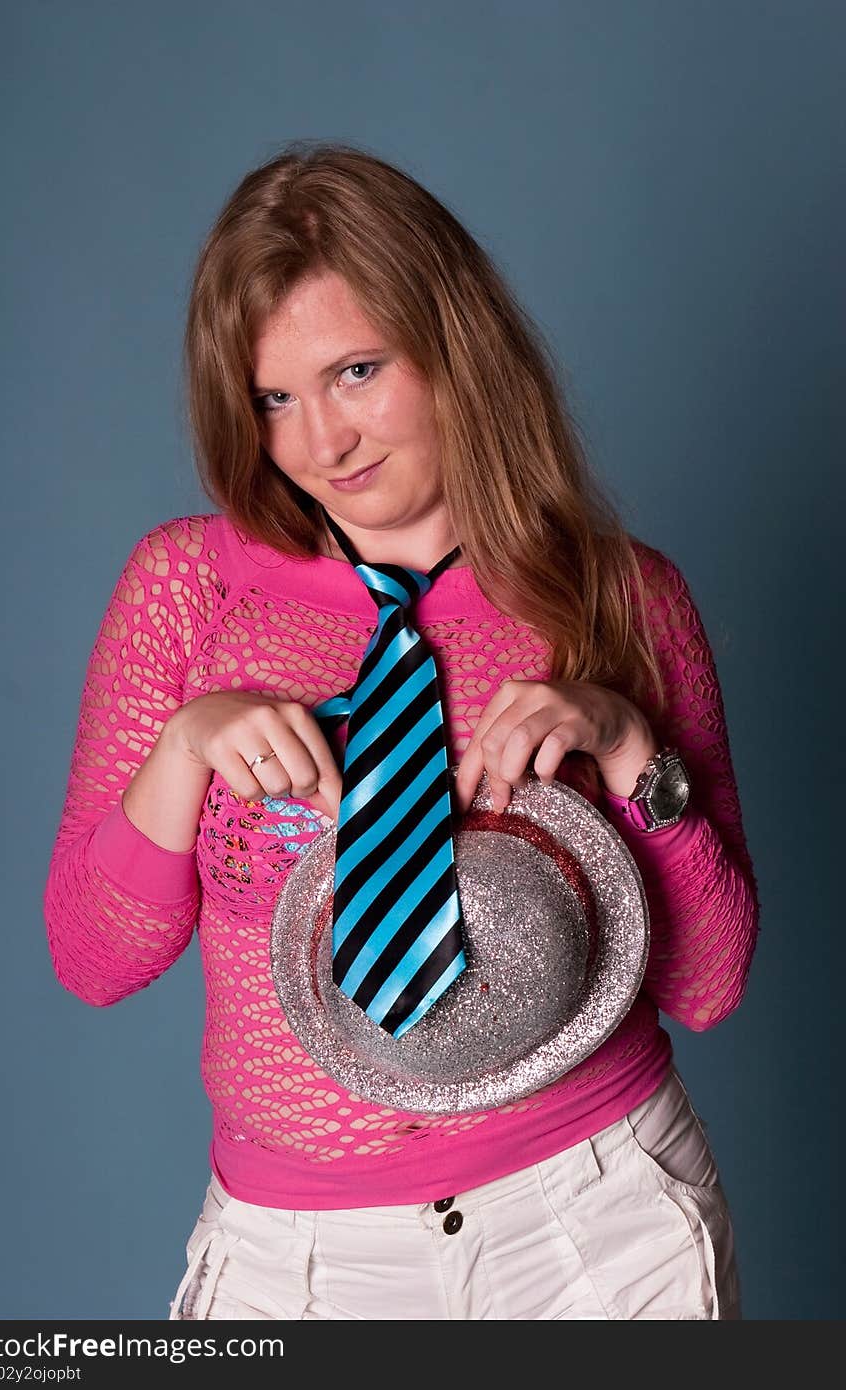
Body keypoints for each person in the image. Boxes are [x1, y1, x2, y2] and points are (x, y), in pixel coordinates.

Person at [43, 141, 760, 1321]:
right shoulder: (188, 591)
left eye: (356, 371)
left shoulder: (619, 595)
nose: (322, 442)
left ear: (453, 346)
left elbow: (713, 980)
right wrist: (183, 748)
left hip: (598, 1225)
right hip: (302, 1262)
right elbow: (92, 957)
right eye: (276, 397)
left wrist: (627, 741)